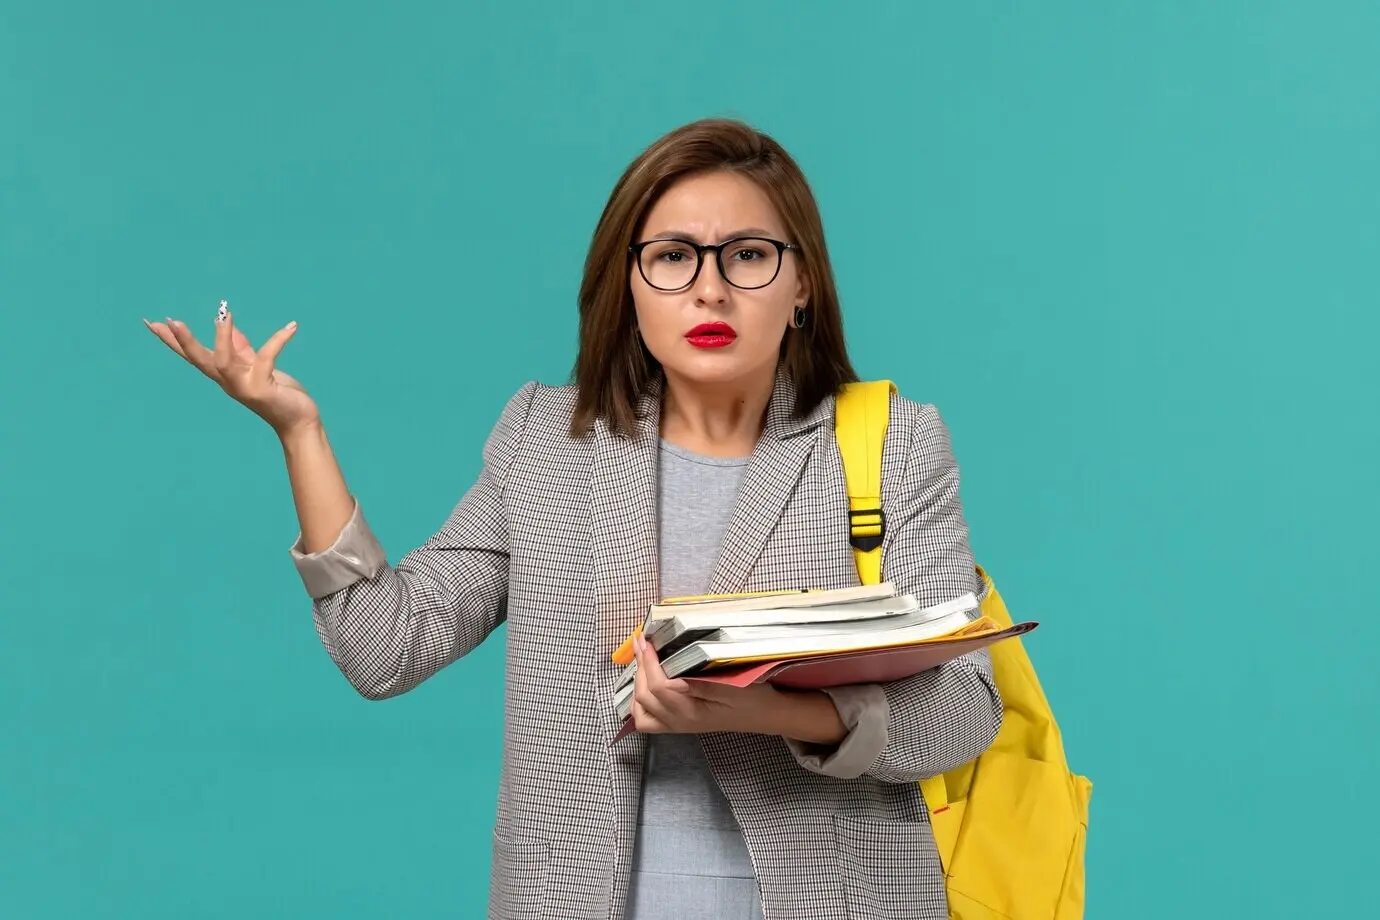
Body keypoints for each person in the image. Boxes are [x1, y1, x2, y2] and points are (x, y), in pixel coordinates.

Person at [144, 118, 1003, 920]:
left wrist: (767, 712)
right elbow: (385, 646)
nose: (709, 290)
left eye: (747, 255)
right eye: (672, 257)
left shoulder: (892, 444)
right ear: (629, 282)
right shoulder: (545, 443)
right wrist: (301, 434)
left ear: (803, 282)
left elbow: (964, 714)